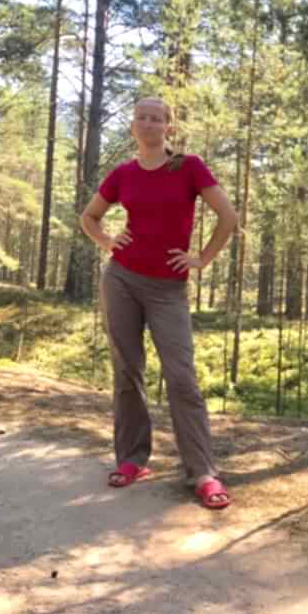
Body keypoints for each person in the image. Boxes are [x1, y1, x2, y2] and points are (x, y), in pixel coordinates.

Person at [81, 97, 237, 508]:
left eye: (156, 118)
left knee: (181, 377)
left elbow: (228, 216)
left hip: (168, 289)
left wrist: (202, 258)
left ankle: (202, 472)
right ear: (133, 125)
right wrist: (108, 241)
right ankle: (132, 459)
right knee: (127, 371)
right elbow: (88, 217)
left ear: (169, 127)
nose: (148, 123)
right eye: (141, 117)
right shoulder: (123, 174)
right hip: (122, 280)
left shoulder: (188, 167)